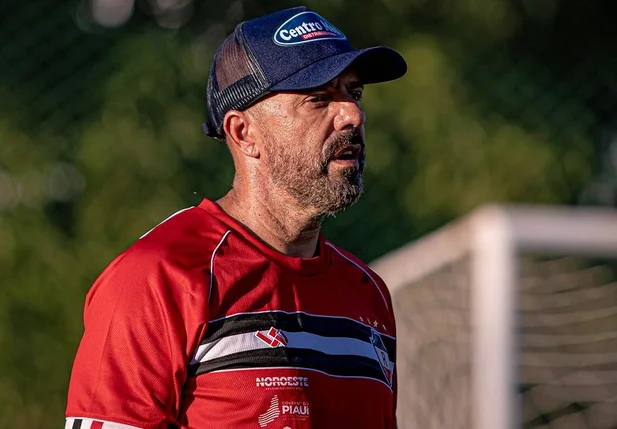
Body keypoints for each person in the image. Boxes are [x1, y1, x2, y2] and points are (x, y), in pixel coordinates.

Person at [65, 5, 407, 429]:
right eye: (318, 98)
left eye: (353, 93)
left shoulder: (368, 292)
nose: (353, 115)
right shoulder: (157, 277)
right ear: (244, 133)